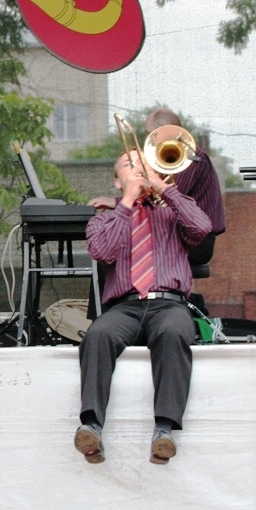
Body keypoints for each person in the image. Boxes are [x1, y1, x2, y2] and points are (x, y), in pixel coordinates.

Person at [75, 150, 211, 466]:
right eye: (129, 165)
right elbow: (102, 251)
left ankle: (164, 430)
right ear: (116, 181)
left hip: (168, 303)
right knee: (98, 334)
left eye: (144, 164)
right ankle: (91, 426)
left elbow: (202, 227)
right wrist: (126, 203)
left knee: (172, 332)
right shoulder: (103, 220)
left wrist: (162, 187)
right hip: (125, 307)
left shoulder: (172, 214)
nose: (137, 169)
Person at [88, 108, 225, 266]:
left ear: (163, 130)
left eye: (149, 134)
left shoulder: (189, 156)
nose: (148, 140)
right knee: (114, 250)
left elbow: (167, 199)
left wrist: (117, 202)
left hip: (196, 240)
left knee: (123, 252)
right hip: (174, 232)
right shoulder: (160, 157)